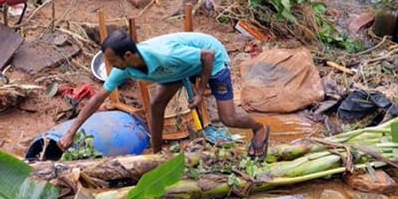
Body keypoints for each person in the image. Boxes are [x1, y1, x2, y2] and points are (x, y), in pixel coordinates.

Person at [58, 30, 270, 158]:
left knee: (228, 117)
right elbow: (97, 99)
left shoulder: (164, 55)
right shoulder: (125, 68)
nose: (112, 66)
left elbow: (208, 55)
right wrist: (71, 132)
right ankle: (156, 152)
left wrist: (199, 90)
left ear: (129, 55)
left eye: (113, 61)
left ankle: (260, 128)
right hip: (178, 70)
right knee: (157, 105)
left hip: (211, 61)